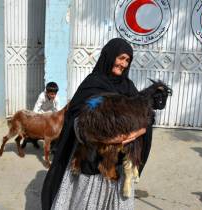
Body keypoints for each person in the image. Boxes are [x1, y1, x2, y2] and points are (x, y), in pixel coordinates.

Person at [41, 38, 154, 210]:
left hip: (119, 164)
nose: (123, 64)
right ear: (109, 56)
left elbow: (144, 117)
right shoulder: (93, 84)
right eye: (121, 58)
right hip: (91, 161)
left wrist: (133, 135)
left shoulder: (128, 87)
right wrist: (110, 139)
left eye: (127, 60)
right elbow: (78, 122)